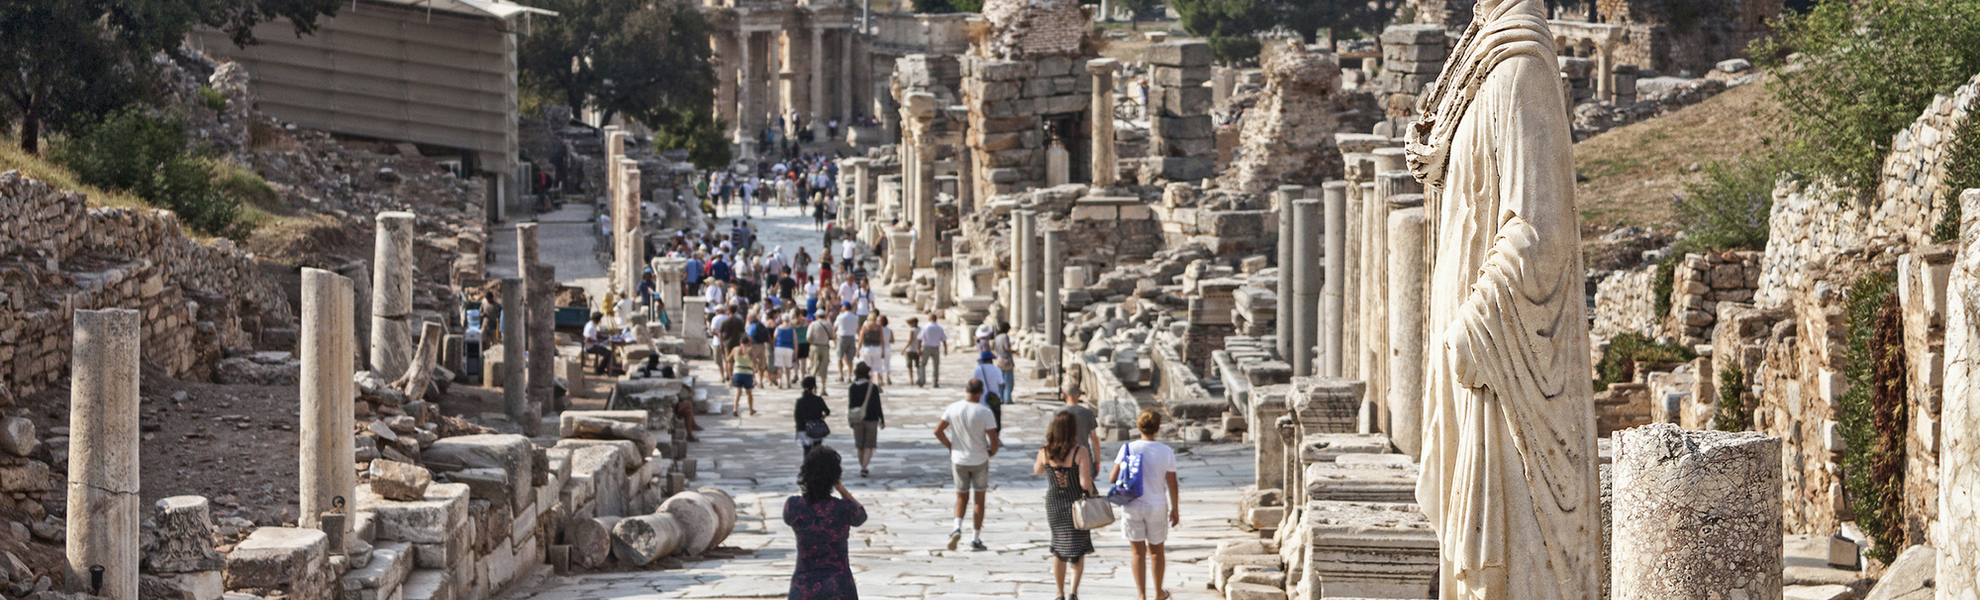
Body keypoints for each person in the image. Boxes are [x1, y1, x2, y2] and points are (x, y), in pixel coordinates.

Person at [784, 447, 867, 600]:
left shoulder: (794, 506)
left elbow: (787, 518)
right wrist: (841, 488)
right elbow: (861, 516)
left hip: (804, 587)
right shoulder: (844, 508)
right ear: (835, 477)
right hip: (839, 587)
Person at [1113, 409, 1179, 600]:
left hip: (1132, 505)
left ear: (1139, 426)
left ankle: (1141, 595)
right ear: (1158, 428)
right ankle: (1158, 593)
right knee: (1157, 551)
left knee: (1137, 552)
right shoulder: (1166, 451)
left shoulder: (1128, 448)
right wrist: (1175, 508)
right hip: (1157, 505)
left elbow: (1113, 477)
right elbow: (1172, 483)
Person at [1034, 412, 1097, 600]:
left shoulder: (1045, 451)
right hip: (1075, 505)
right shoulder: (1080, 451)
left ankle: (1059, 593)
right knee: (1077, 550)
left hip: (1054, 504)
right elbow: (1085, 483)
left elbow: (1037, 470)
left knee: (1058, 548)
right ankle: (1073, 593)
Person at [935, 378, 1001, 552]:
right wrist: (991, 452)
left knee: (961, 497)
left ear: (966, 390)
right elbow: (993, 439)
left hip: (959, 459)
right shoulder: (985, 412)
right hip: (979, 458)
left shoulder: (953, 408)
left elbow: (938, 430)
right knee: (979, 500)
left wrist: (950, 446)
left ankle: (956, 528)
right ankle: (975, 539)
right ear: (981, 392)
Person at [1057, 380, 1102, 479]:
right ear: (1080, 395)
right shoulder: (1087, 413)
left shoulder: (1057, 413)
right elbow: (1094, 439)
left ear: (1064, 395)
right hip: (1085, 461)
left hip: (1063, 460)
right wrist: (1097, 462)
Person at [847, 363, 885, 477]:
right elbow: (877, 405)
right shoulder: (872, 387)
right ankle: (864, 468)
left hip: (857, 419)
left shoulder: (852, 388)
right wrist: (882, 419)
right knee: (869, 445)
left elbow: (851, 405)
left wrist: (850, 419)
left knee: (860, 446)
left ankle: (862, 466)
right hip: (871, 419)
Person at [794, 376, 831, 456]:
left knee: (807, 451)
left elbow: (797, 417)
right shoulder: (818, 399)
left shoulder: (800, 401)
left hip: (804, 429)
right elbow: (827, 411)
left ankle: (807, 463)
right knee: (816, 451)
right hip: (816, 428)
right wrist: (822, 416)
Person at [970, 351, 1006, 427]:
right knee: (995, 425)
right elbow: (1001, 383)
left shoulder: (978, 370)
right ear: (991, 360)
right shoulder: (997, 370)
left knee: (981, 426)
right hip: (994, 401)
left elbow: (974, 383)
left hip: (981, 401)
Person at [729, 338, 760, 417]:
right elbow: (754, 361)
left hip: (737, 372)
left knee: (738, 392)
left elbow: (729, 359)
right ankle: (751, 410)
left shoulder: (735, 349)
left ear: (740, 342)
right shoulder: (750, 350)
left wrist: (730, 373)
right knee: (749, 393)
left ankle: (735, 409)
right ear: (748, 342)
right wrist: (757, 361)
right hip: (747, 373)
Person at [916, 314, 949, 387]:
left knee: (922, 364)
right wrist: (945, 349)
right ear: (936, 319)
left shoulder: (925, 327)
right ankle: (935, 382)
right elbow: (944, 340)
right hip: (936, 347)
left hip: (926, 347)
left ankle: (922, 380)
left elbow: (920, 338)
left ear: (929, 319)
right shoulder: (939, 328)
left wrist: (918, 348)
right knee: (936, 365)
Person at [808, 310, 835, 390]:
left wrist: (812, 343)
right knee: (824, 368)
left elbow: (808, 337)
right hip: (825, 347)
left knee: (813, 367)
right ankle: (823, 388)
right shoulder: (828, 324)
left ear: (817, 316)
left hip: (815, 346)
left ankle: (813, 387)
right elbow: (833, 336)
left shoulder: (813, 324)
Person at [834, 302, 860, 382]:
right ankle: (849, 376)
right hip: (851, 337)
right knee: (850, 358)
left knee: (839, 357)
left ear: (845, 307)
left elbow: (835, 327)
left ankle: (841, 375)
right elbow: (857, 328)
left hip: (842, 337)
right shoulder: (855, 317)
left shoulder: (840, 317)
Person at [992, 322, 1016, 406]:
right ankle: (1007, 398)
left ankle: (1000, 398)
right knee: (1008, 381)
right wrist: (1014, 351)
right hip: (1006, 360)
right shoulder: (1005, 336)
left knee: (1000, 381)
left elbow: (995, 349)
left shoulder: (997, 337)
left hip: (999, 360)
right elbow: (1007, 347)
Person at [775, 317, 799, 388]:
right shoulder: (792, 329)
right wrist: (796, 352)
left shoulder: (778, 328)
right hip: (788, 348)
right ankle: (788, 382)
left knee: (780, 367)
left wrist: (773, 347)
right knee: (788, 366)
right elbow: (795, 341)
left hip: (779, 347)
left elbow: (774, 338)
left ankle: (780, 381)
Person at [903, 317, 922, 386]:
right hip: (917, 349)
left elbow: (910, 341)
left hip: (910, 350)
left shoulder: (912, 330)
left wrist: (904, 349)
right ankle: (919, 378)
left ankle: (911, 380)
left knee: (909, 366)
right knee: (918, 365)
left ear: (914, 323)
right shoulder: (921, 330)